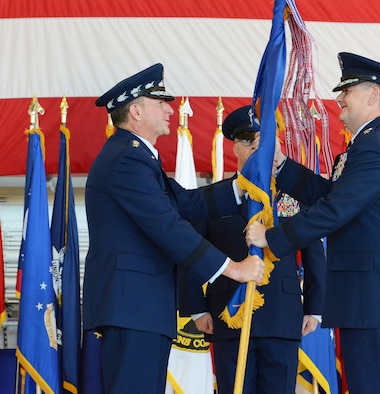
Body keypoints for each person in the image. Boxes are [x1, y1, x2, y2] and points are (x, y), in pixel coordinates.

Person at [246, 52, 380, 394]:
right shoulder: (368, 145)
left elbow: (335, 209)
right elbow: (335, 196)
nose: (339, 97)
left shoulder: (377, 147)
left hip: (376, 302)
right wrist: (283, 167)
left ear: (373, 95)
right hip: (368, 300)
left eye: (348, 90)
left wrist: (273, 237)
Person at [82, 64, 265, 394]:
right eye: (160, 103)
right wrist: (233, 269)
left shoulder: (137, 157)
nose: (170, 109)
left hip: (141, 307)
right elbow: (169, 227)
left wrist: (244, 185)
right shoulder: (127, 159)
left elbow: (186, 203)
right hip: (132, 306)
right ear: (136, 111)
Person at [178, 105, 326, 394]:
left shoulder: (295, 195)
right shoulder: (210, 199)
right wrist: (196, 308)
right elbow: (190, 253)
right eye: (248, 140)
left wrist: (315, 307)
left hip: (283, 317)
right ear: (234, 147)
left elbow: (313, 254)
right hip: (227, 315)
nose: (257, 147)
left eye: (265, 139)